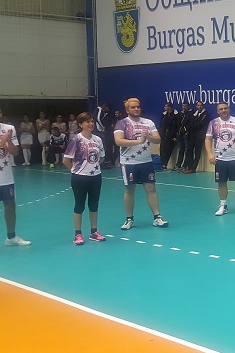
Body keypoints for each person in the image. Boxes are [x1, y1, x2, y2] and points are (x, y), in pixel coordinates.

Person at [114, 98, 169, 230]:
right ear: (127, 110)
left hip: (146, 162)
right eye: (133, 107)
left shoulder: (148, 122)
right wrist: (139, 141)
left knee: (151, 188)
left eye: (138, 107)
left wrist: (148, 137)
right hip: (129, 162)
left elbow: (157, 139)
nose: (136, 109)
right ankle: (129, 219)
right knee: (129, 190)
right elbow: (119, 141)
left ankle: (157, 217)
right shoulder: (122, 123)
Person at [63, 112, 106, 245]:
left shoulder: (98, 140)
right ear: (80, 124)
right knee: (79, 205)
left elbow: (102, 158)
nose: (91, 124)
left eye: (92, 121)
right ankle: (78, 234)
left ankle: (94, 231)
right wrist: (76, 171)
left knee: (94, 205)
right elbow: (66, 160)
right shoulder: (76, 140)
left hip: (95, 176)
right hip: (79, 178)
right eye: (87, 122)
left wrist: (93, 166)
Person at [206, 102, 235, 216]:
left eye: (225, 108)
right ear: (218, 111)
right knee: (221, 183)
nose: (223, 110)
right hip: (220, 159)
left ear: (229, 109)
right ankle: (223, 205)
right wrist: (210, 154)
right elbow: (208, 139)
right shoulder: (213, 123)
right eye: (221, 109)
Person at [1, 117, 30, 246]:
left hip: (6, 177)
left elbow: (16, 152)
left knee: (10, 205)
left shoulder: (8, 129)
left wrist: (8, 141)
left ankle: (11, 237)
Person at [184, 101, 209, 174]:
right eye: (198, 105)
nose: (199, 106)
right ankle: (189, 167)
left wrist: (193, 125)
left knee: (197, 152)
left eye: (201, 105)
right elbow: (191, 123)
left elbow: (201, 124)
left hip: (200, 136)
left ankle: (193, 168)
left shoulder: (206, 115)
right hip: (193, 135)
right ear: (196, 106)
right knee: (189, 150)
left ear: (203, 106)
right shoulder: (194, 114)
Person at [158, 103, 178, 170]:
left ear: (169, 107)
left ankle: (165, 164)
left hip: (171, 135)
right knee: (162, 149)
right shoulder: (164, 115)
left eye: (165, 106)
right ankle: (162, 163)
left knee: (168, 150)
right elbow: (161, 124)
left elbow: (177, 126)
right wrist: (160, 133)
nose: (164, 107)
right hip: (163, 135)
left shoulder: (175, 115)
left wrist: (175, 136)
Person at [173, 102, 192, 171]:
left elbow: (190, 124)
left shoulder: (191, 114)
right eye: (183, 106)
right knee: (181, 150)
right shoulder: (181, 114)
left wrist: (185, 130)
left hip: (186, 135)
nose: (184, 107)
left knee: (187, 151)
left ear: (188, 107)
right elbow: (178, 124)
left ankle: (185, 165)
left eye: (185, 106)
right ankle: (178, 165)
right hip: (180, 135)